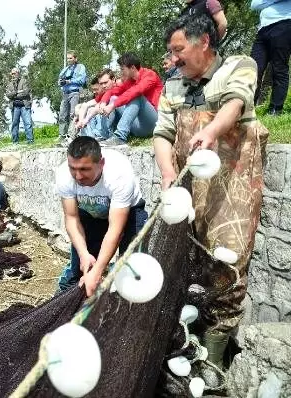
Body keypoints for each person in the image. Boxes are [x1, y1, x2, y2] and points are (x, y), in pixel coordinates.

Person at [154, 13, 268, 370]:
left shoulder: (238, 66)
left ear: (203, 41)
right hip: (188, 191)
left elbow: (236, 103)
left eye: (177, 50)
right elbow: (162, 134)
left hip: (232, 187)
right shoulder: (172, 87)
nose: (172, 60)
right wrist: (168, 170)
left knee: (227, 264)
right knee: (188, 267)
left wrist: (214, 130)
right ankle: (188, 348)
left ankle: (213, 359)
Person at [55, 136, 147, 296]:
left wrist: (98, 271)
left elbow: (116, 230)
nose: (77, 176)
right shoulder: (64, 175)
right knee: (79, 268)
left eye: (84, 169)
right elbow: (71, 218)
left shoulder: (119, 175)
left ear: (101, 163)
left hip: (128, 211)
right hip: (90, 212)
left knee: (131, 266)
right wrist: (84, 254)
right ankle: (67, 294)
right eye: (73, 168)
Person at [96, 52, 163, 147]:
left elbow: (135, 91)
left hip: (153, 124)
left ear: (132, 68)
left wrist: (112, 105)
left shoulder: (150, 75)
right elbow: (111, 92)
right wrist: (103, 103)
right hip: (138, 126)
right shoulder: (130, 81)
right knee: (113, 98)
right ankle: (104, 135)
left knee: (136, 96)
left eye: (123, 69)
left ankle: (120, 137)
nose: (121, 72)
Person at [250, 0, 291, 116]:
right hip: (263, 28)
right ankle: (248, 107)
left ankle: (275, 109)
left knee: (279, 68)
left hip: (284, 24)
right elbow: (254, 5)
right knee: (253, 68)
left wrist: (266, 1)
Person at [75, 69, 118, 140]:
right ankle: (87, 138)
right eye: (101, 84)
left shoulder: (119, 87)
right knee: (90, 110)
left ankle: (103, 136)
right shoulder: (105, 92)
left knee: (108, 104)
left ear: (113, 79)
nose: (103, 86)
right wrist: (81, 121)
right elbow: (85, 105)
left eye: (105, 82)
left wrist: (86, 119)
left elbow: (98, 107)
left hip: (123, 119)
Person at [58, 50, 87, 141]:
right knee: (62, 114)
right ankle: (62, 135)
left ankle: (71, 135)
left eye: (70, 58)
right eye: (67, 58)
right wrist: (60, 82)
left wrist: (69, 81)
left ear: (75, 58)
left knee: (73, 114)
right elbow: (59, 79)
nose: (69, 60)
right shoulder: (65, 69)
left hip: (75, 92)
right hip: (65, 93)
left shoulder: (80, 67)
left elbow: (82, 80)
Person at [6, 67, 34, 144]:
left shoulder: (24, 81)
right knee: (15, 124)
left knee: (27, 123)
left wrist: (14, 94)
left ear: (18, 73)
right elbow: (8, 95)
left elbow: (26, 92)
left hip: (24, 105)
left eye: (14, 73)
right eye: (12, 74)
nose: (13, 75)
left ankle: (30, 141)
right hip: (15, 107)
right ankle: (15, 142)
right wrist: (17, 92)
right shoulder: (10, 84)